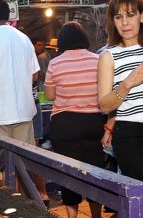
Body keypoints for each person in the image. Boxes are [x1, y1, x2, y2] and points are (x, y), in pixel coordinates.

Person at [0, 0, 49, 207]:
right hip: (23, 112)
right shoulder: (24, 39)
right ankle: (22, 207)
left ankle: (4, 209)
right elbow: (35, 76)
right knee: (24, 165)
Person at [98, 0, 143, 216]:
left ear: (142, 16)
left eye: (131, 15)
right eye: (118, 17)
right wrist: (126, 84)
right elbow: (104, 105)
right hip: (132, 134)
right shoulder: (108, 56)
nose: (125, 22)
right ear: (112, 22)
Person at [44, 21, 106, 218]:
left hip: (64, 124)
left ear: (62, 41)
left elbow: (50, 96)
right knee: (95, 172)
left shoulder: (55, 63)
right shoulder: (98, 60)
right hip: (93, 123)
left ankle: (72, 216)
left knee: (68, 172)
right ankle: (96, 214)